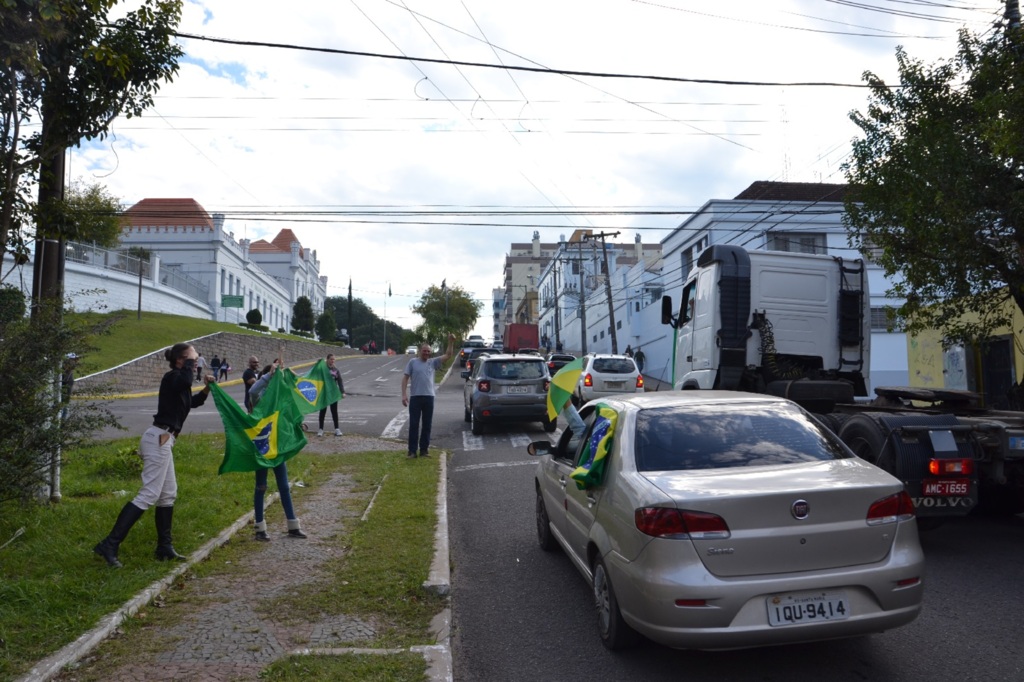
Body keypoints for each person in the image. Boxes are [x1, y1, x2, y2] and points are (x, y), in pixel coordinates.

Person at [93, 342, 214, 568]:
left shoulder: (180, 380)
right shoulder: (172, 377)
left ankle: (164, 548)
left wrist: (206, 388)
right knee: (149, 493)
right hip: (157, 439)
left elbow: (192, 402)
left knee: (168, 494)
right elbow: (186, 380)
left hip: (165, 440)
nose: (196, 362)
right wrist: (189, 366)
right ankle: (109, 544)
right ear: (180, 360)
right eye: (192, 358)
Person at [246, 361, 308, 542]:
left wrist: (298, 424)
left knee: (284, 486)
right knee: (261, 487)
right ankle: (260, 529)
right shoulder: (260, 398)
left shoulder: (280, 399)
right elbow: (252, 391)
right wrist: (268, 376)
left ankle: (293, 526)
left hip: (278, 447)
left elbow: (288, 414)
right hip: (263, 447)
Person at [401, 333, 455, 458]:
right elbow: (405, 378)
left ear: (430, 352)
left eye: (428, 351)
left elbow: (448, 355)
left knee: (427, 425)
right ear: (420, 351)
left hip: (429, 397)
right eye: (424, 351)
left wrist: (450, 342)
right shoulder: (413, 362)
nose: (426, 353)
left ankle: (424, 450)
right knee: (414, 425)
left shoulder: (433, 362)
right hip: (415, 397)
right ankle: (412, 451)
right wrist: (404, 395)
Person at [317, 353, 345, 437]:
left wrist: (342, 392)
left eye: (333, 359)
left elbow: (340, 381)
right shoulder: (323, 369)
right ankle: (321, 429)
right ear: (327, 359)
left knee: (334, 411)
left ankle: (337, 429)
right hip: (324, 393)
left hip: (333, 393)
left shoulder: (335, 370)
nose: (332, 361)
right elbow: (315, 373)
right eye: (331, 359)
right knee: (322, 411)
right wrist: (318, 364)